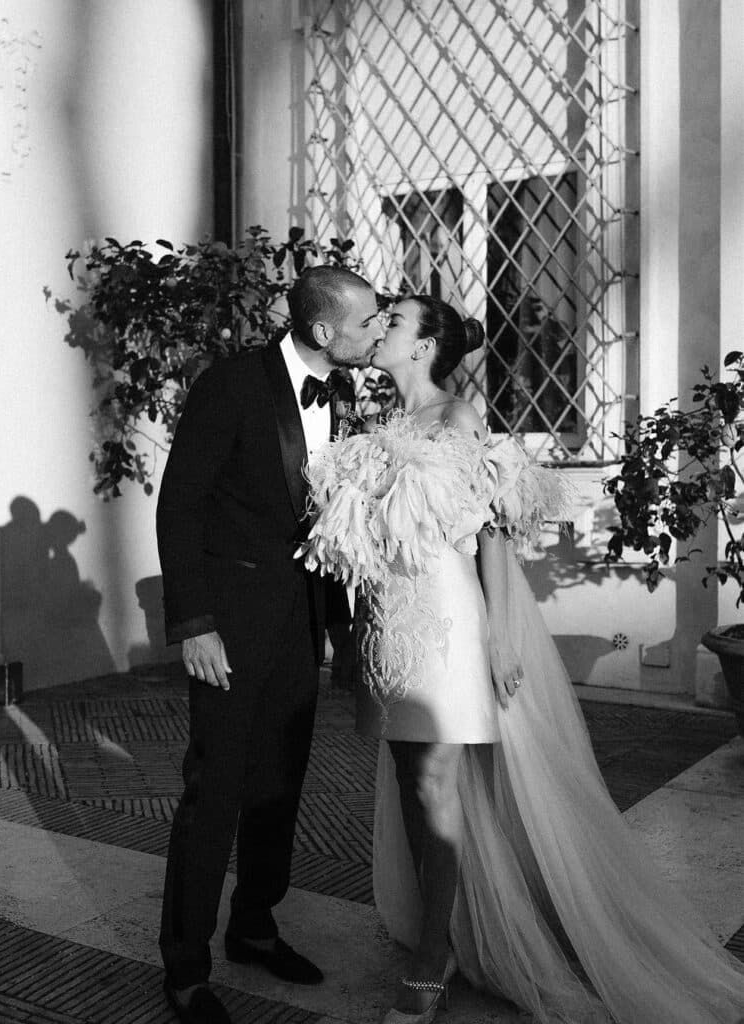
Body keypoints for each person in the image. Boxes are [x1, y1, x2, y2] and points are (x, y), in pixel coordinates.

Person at [300, 294, 744, 1024]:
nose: (377, 326)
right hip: (387, 621)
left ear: (422, 347)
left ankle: (426, 971)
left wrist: (500, 633)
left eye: (393, 320)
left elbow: (494, 537)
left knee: (437, 790)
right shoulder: (371, 424)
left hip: (445, 620)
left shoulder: (458, 419)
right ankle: (444, 931)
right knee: (415, 789)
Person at [156, 265, 384, 1024]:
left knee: (279, 785)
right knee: (214, 787)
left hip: (301, 622)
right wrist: (193, 625)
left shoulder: (341, 394)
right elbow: (180, 505)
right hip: (228, 624)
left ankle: (254, 926)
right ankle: (185, 968)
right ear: (323, 331)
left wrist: (342, 625)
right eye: (366, 323)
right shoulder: (231, 385)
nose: (376, 332)